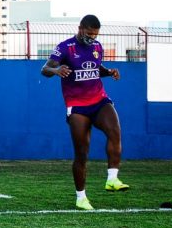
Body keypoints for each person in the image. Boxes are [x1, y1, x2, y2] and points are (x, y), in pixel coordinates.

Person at [41, 14, 128, 211]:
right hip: (77, 106)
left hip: (99, 100)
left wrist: (109, 72)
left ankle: (112, 179)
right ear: (80, 28)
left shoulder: (97, 47)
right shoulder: (65, 47)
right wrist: (56, 71)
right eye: (89, 34)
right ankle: (81, 198)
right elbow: (44, 69)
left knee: (115, 130)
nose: (92, 38)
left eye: (95, 35)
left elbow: (96, 69)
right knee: (82, 154)